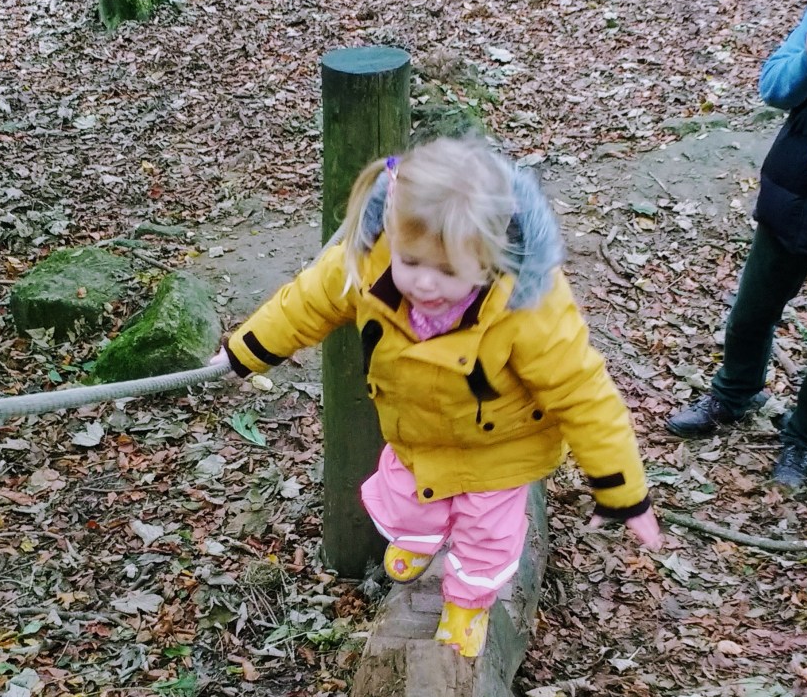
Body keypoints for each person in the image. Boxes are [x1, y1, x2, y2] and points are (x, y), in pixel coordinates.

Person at [215, 136, 661, 659]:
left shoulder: (529, 306)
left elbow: (584, 394)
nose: (424, 283)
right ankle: (421, 538)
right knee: (404, 502)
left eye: (448, 270)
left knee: (486, 537)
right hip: (418, 432)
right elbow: (306, 302)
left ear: (489, 258)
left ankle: (468, 602)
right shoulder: (374, 258)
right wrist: (244, 352)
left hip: (501, 448)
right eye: (412, 261)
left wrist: (622, 491)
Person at [667, 0, 807, 488]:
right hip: (794, 193)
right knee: (753, 309)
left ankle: (805, 438)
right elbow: (773, 86)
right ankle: (734, 395)